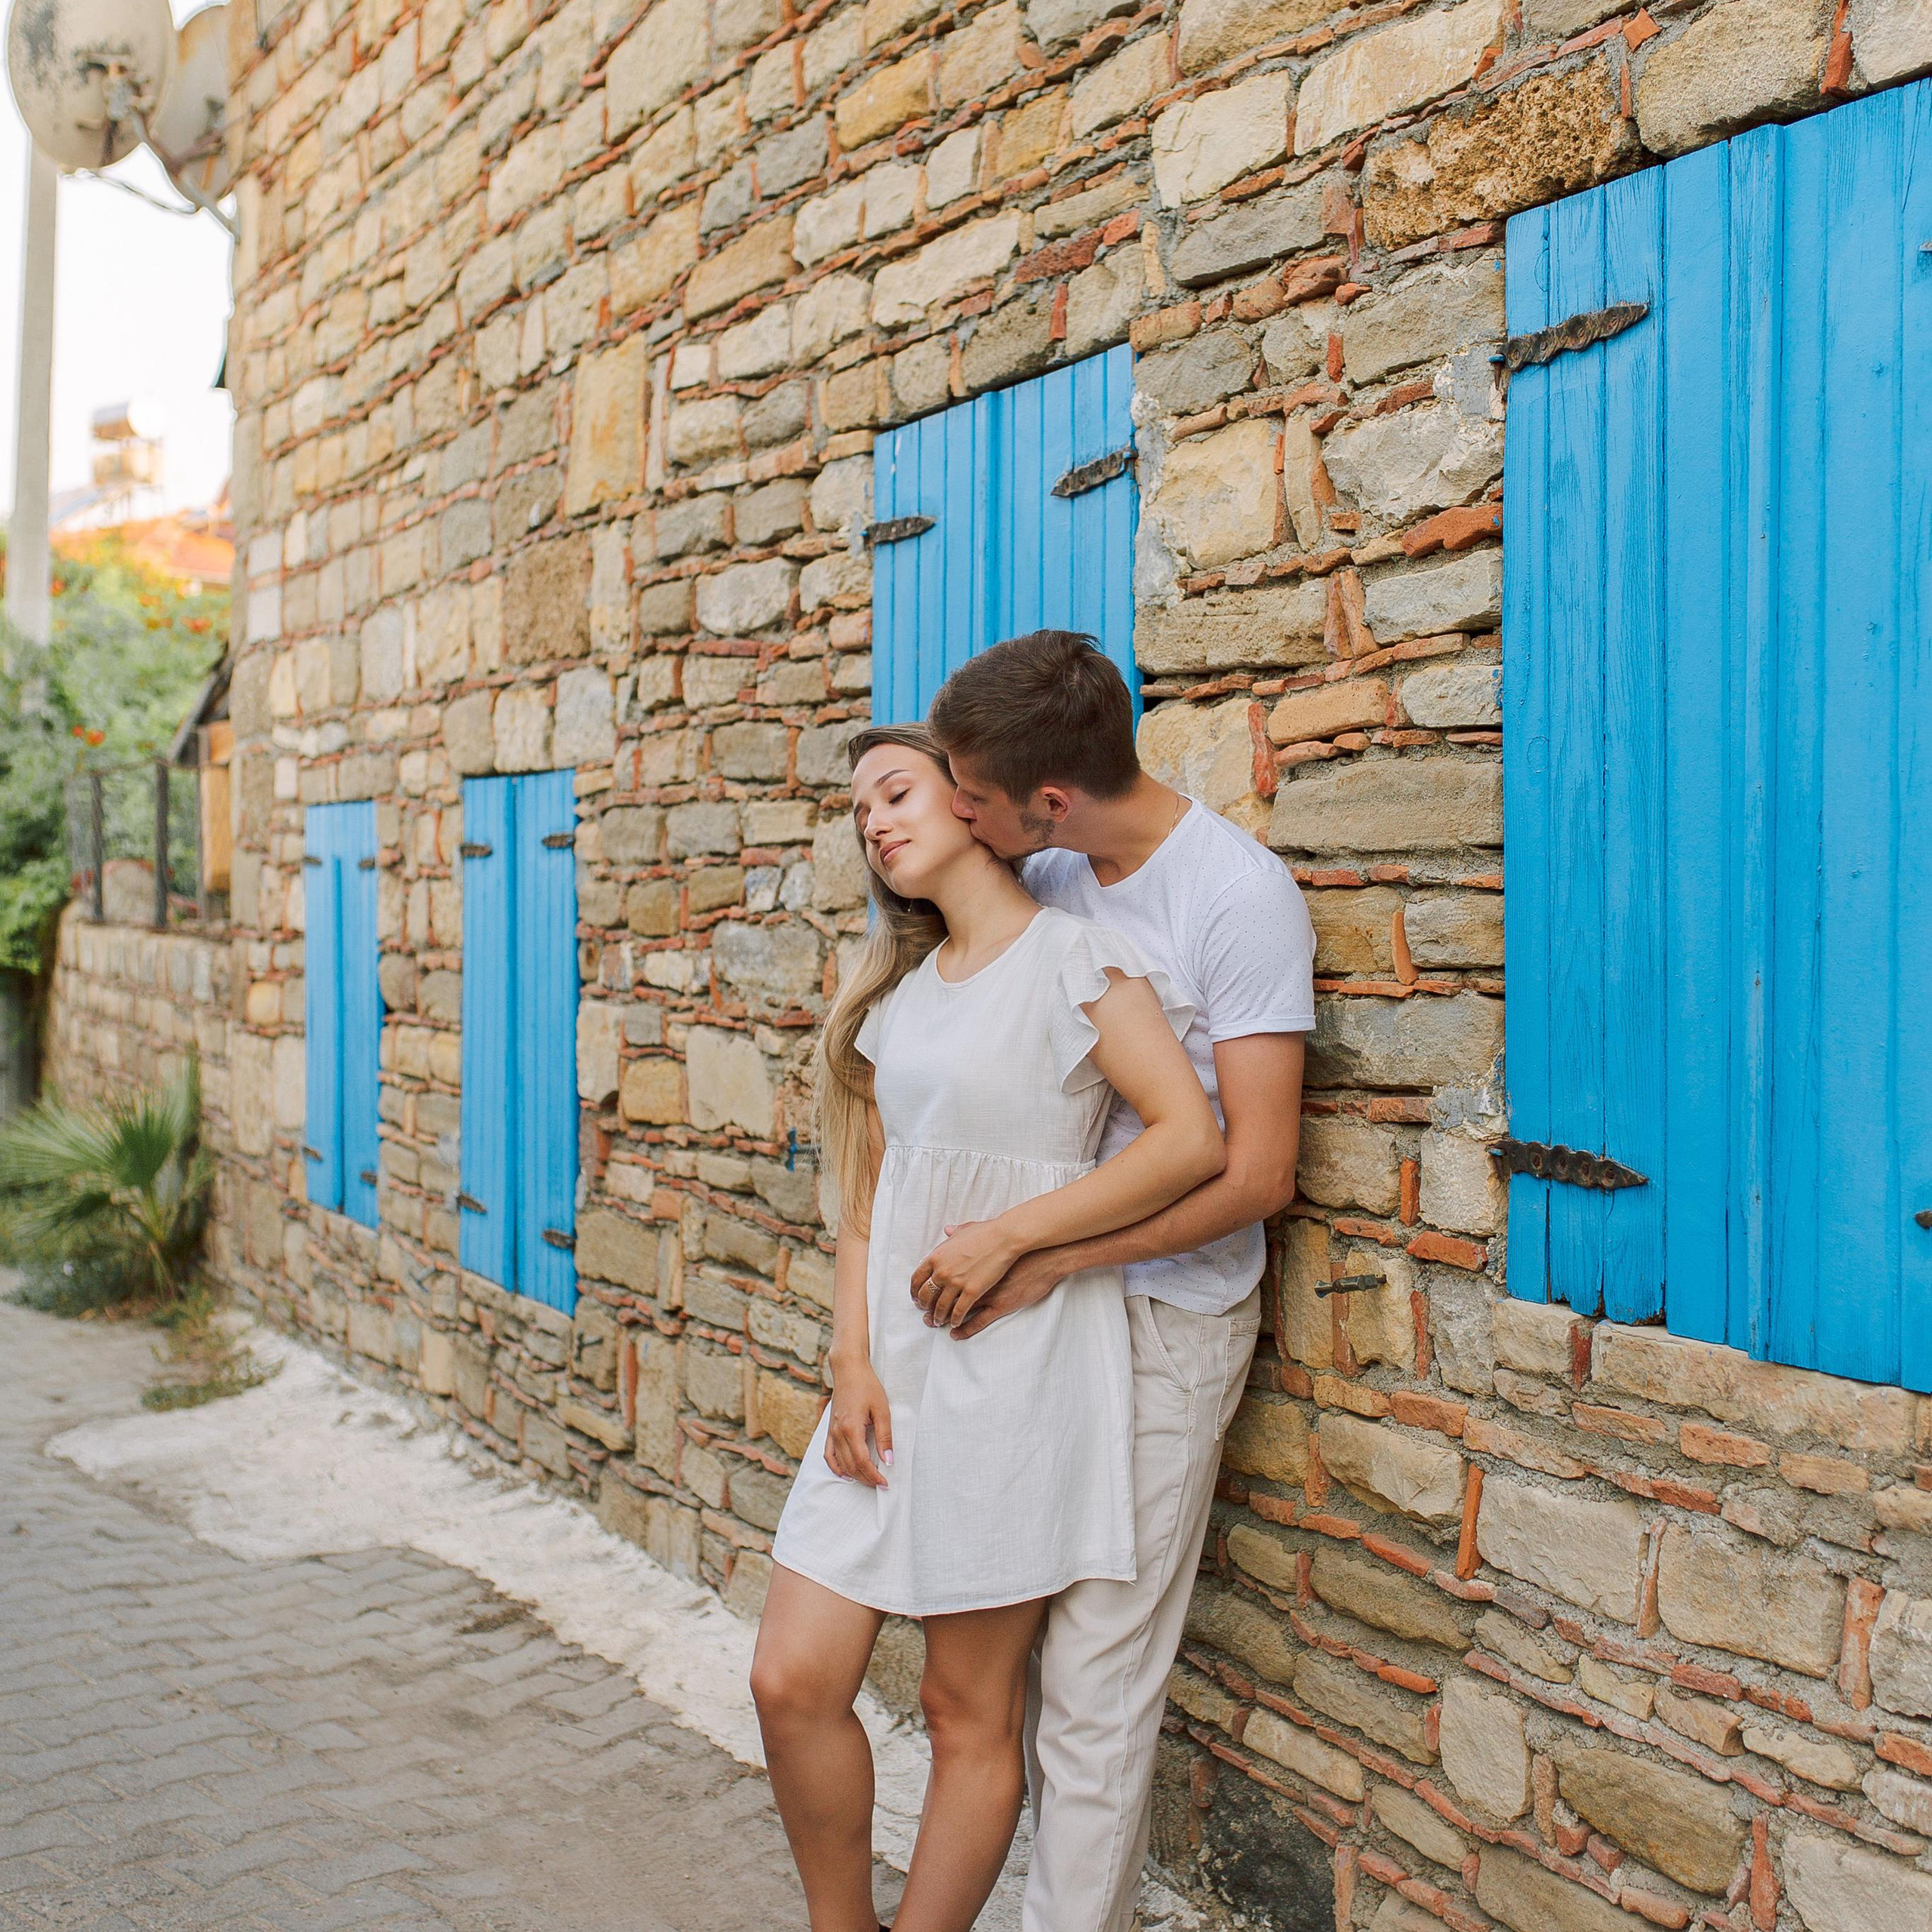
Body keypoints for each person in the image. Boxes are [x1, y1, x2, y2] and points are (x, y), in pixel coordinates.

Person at [751, 721, 1228, 1932]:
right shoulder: (898, 1002)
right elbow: (874, 1192)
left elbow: (1189, 1139)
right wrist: (851, 1357)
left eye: (895, 792)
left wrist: (1020, 1235)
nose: (875, 822)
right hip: (888, 1377)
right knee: (791, 1680)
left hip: (1017, 1368)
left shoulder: (1079, 961)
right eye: (861, 813)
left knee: (972, 1714)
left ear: (972, 803)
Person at [923, 630, 1316, 1932]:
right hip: (1038, 1295)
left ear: (1049, 797)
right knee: (1005, 1646)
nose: (954, 812)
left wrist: (1050, 1254)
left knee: (1097, 1673)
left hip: (1162, 1314)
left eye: (968, 794)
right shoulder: (1043, 868)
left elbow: (1256, 1174)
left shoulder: (1237, 899)